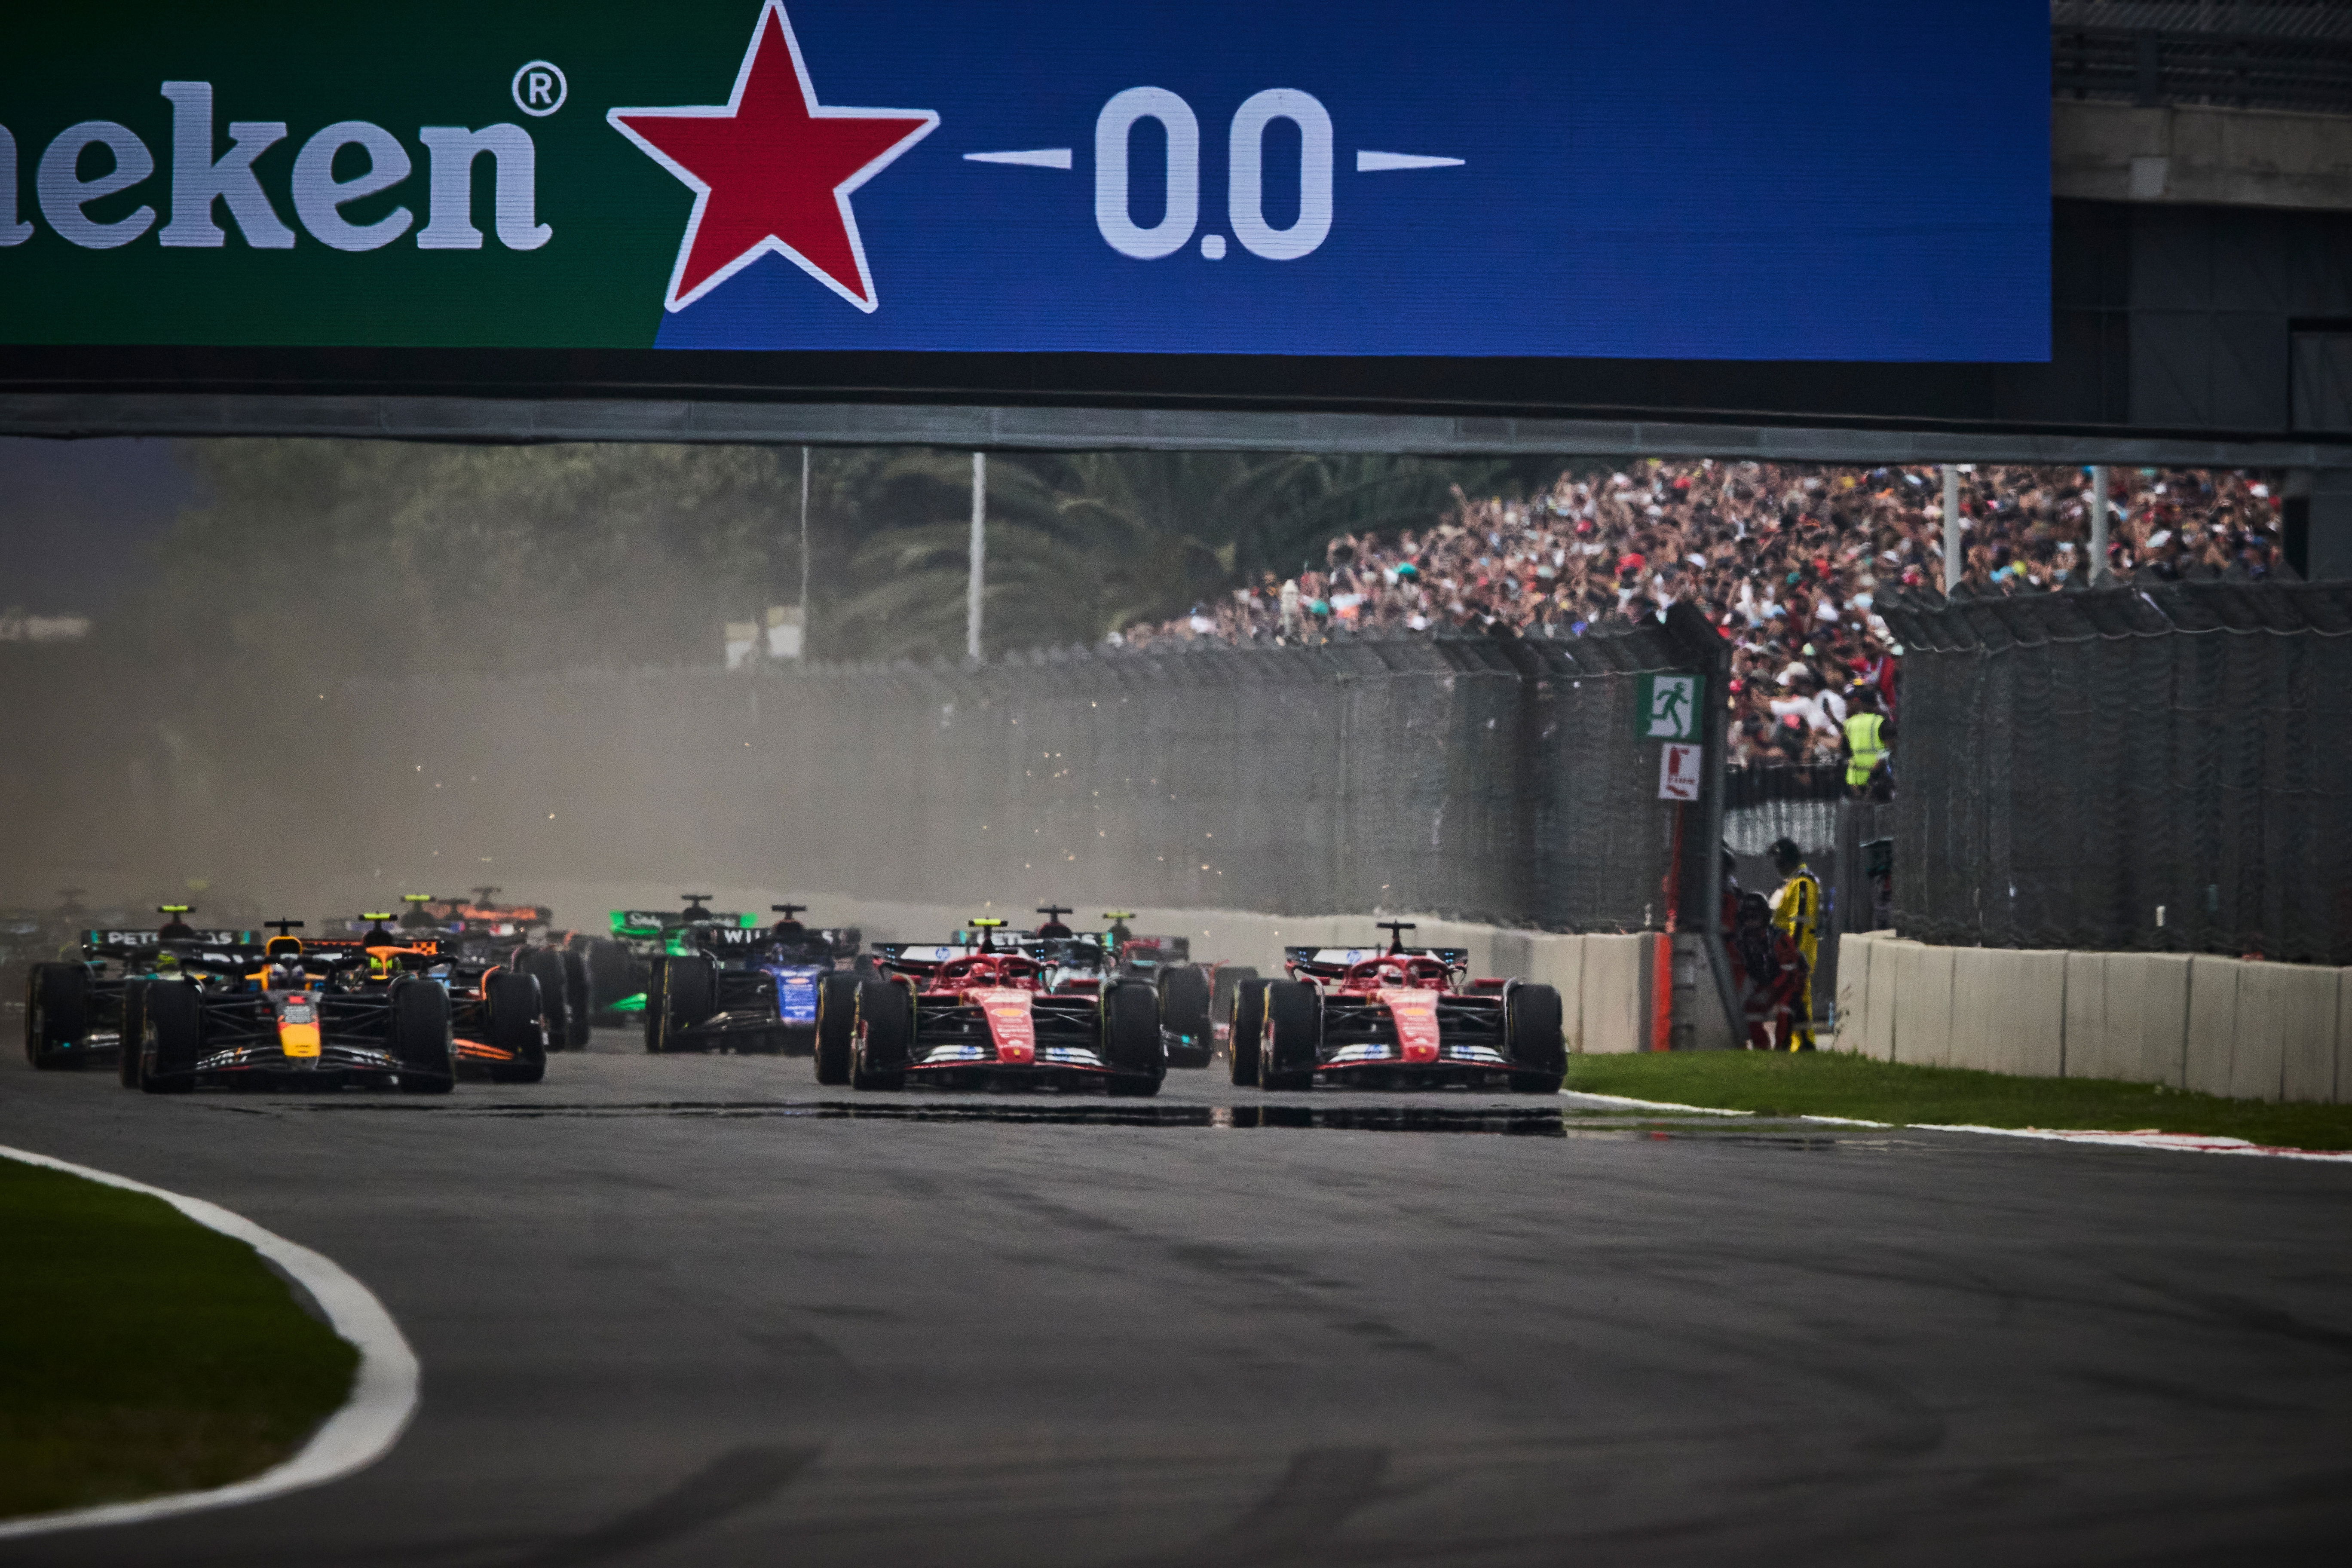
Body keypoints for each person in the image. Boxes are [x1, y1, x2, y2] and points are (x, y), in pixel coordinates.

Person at [1766, 837, 1821, 1050]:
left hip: (1797, 953)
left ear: (1787, 860)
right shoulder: (1795, 882)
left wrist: (1794, 954)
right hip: (1789, 952)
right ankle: (1800, 1043)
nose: (1776, 866)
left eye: (1778, 861)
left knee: (1798, 998)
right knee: (1793, 998)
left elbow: (1800, 922)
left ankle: (1806, 1044)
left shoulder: (1803, 884)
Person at [1840, 687, 1893, 798]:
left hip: (1855, 782)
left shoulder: (1849, 723)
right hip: (1879, 781)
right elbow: (1891, 748)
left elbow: (1845, 752)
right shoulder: (1882, 722)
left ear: (1860, 703)